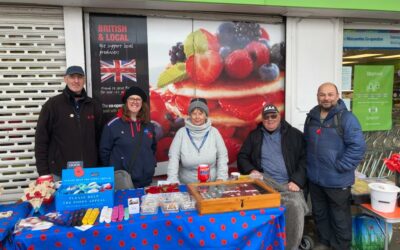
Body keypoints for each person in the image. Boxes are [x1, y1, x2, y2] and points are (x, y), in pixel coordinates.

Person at [304, 82, 366, 250]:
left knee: (340, 218)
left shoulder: (347, 118)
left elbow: (358, 147)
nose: (326, 98)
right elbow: (307, 143)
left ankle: (341, 247)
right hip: (316, 179)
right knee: (320, 214)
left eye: (330, 94)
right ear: (317, 96)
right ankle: (324, 242)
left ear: (338, 96)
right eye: (322, 94)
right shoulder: (312, 116)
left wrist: (341, 166)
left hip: (337, 180)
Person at [237, 103, 308, 250]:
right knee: (251, 196)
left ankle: (290, 247)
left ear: (279, 116)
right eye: (266, 117)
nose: (270, 119)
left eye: (273, 116)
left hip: (289, 183)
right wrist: (250, 170)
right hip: (265, 183)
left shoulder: (294, 135)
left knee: (295, 206)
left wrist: (297, 181)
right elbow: (242, 157)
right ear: (262, 119)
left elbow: (305, 159)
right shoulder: (254, 136)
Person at [35, 66, 103, 181]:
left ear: (84, 80)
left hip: (89, 173)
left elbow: (100, 139)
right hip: (60, 173)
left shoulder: (93, 105)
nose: (76, 81)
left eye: (80, 77)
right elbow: (41, 140)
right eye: (72, 77)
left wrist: (101, 167)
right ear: (65, 79)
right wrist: (43, 172)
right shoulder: (52, 105)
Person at [99, 86, 156, 189]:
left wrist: (150, 165)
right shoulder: (113, 125)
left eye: (138, 99)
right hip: (124, 181)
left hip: (146, 180)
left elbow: (152, 148)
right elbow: (104, 152)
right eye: (131, 98)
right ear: (126, 102)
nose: (135, 102)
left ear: (142, 103)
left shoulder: (148, 125)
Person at [167, 98, 228, 184]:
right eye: (194, 113)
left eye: (200, 113)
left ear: (206, 115)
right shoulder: (181, 133)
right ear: (189, 115)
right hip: (187, 185)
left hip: (211, 184)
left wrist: (221, 178)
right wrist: (173, 180)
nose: (197, 117)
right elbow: (173, 157)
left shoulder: (214, 132)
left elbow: (222, 156)